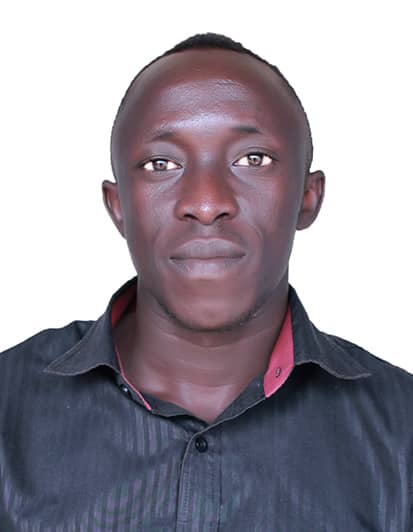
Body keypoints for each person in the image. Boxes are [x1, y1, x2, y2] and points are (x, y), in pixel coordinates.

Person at [0, 32, 412, 532]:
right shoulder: (7, 410)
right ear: (118, 206)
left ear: (308, 196)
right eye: (162, 164)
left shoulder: (401, 431)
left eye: (253, 159)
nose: (206, 202)